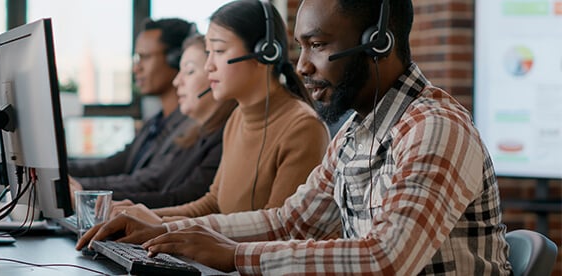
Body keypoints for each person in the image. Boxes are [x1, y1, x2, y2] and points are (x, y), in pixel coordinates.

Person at [76, 0, 512, 275]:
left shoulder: (434, 128)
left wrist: (232, 256)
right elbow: (289, 222)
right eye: (300, 47)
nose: (301, 66)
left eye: (317, 45)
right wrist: (169, 229)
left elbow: (387, 259)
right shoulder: (355, 132)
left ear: (377, 42)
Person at [108, 0, 330, 224]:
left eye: (220, 50)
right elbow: (213, 204)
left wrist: (163, 226)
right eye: (208, 52)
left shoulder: (303, 128)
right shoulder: (237, 118)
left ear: (265, 53)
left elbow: (276, 229)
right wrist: (144, 216)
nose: (208, 66)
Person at [70, 35, 237, 208]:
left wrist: (87, 196)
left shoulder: (223, 136)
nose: (177, 81)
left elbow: (178, 196)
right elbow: (152, 181)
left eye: (189, 71)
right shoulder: (189, 134)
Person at [68, 18, 195, 182]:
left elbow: (149, 184)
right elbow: (106, 167)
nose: (137, 68)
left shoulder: (191, 126)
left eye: (145, 57)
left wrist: (76, 190)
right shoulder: (154, 124)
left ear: (175, 59)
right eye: (137, 58)